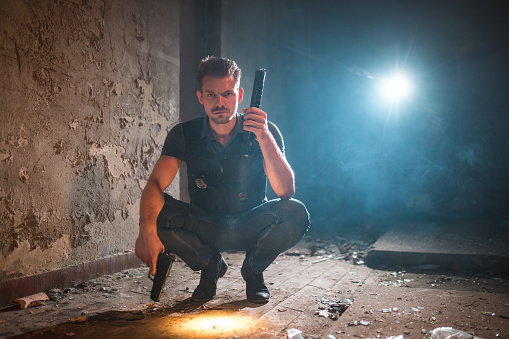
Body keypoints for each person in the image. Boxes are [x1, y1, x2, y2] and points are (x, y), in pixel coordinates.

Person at [135, 56, 310, 304]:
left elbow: (285, 191)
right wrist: (146, 231)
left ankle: (253, 271)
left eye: (227, 94)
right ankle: (210, 266)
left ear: (239, 96)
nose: (220, 102)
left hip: (250, 222)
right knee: (157, 212)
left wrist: (263, 136)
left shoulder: (264, 130)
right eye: (211, 95)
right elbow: (155, 185)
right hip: (207, 225)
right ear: (201, 97)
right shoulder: (184, 134)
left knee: (296, 213)